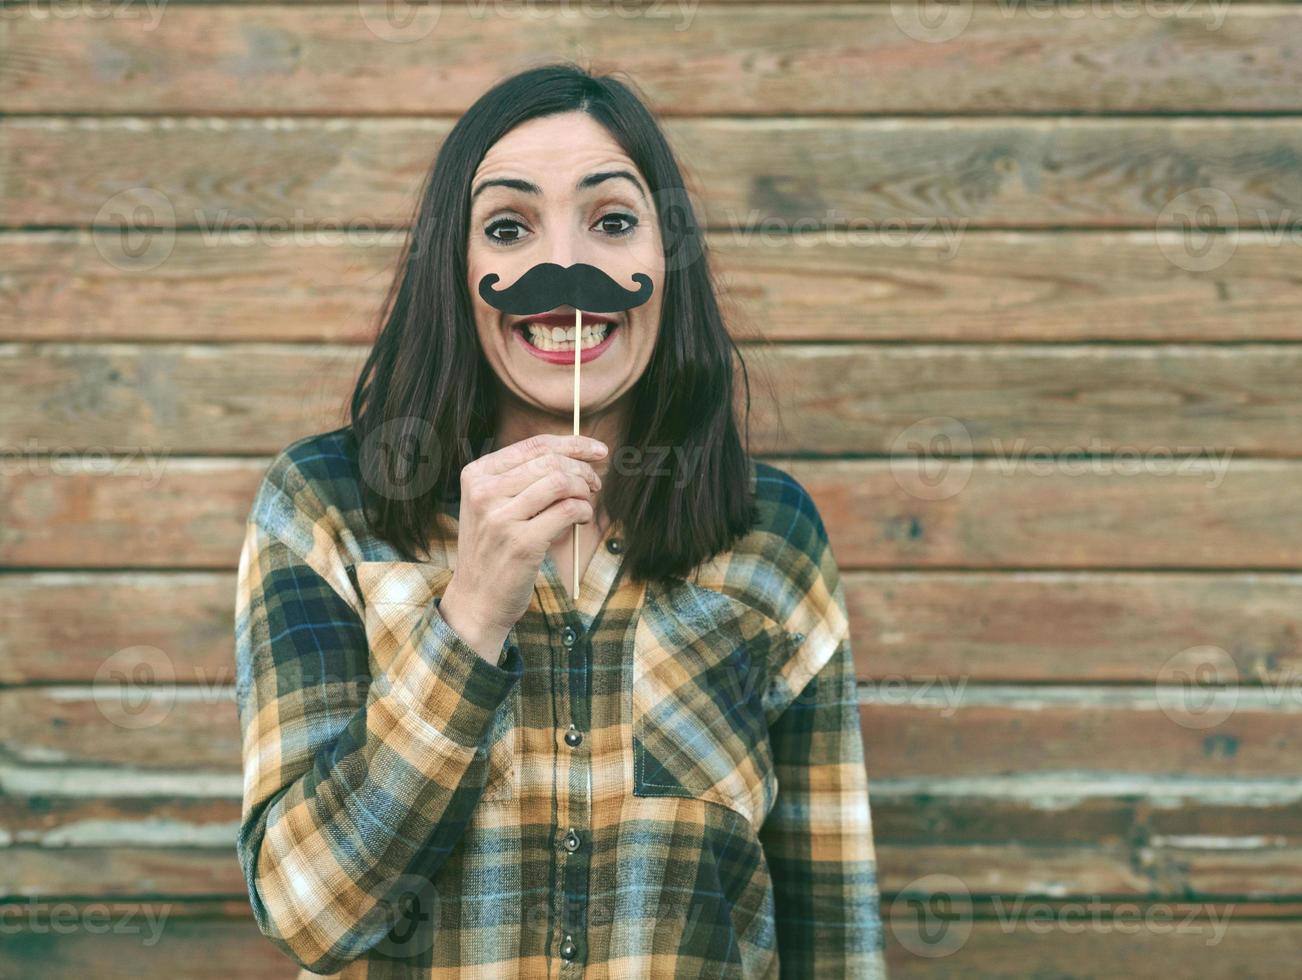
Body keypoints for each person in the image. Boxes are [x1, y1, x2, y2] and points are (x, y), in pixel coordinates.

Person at [233, 62, 887, 978]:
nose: (564, 268)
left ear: (668, 258)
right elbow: (307, 914)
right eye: (509, 226)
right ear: (453, 271)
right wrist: (470, 617)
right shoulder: (326, 508)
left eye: (612, 221)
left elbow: (833, 923)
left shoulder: (769, 534)